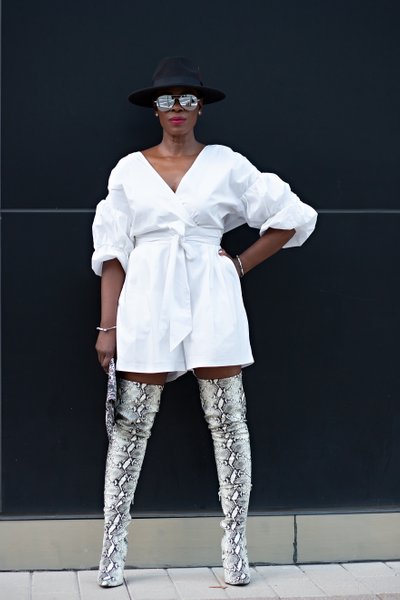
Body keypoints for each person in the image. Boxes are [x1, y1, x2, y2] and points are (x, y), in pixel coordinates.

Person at [92, 56, 317, 588]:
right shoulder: (128, 170)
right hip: (147, 299)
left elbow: (292, 216)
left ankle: (235, 550)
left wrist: (239, 264)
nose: (177, 107)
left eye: (187, 98)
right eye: (166, 99)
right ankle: (111, 551)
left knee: (228, 422)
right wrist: (107, 327)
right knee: (130, 426)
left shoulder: (226, 164)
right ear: (154, 108)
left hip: (213, 298)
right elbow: (114, 251)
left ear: (200, 107)